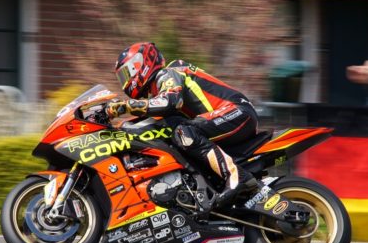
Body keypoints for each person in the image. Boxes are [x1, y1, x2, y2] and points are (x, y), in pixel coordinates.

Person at [107, 42, 260, 208]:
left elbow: (171, 101)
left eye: (126, 73)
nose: (126, 81)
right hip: (224, 119)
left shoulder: (168, 73)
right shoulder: (159, 90)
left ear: (141, 64)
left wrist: (126, 106)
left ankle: (238, 177)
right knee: (173, 134)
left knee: (184, 132)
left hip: (237, 111)